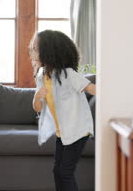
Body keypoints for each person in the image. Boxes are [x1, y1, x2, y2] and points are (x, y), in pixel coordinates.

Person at [29, 30, 95, 191]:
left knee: (65, 172)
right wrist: (37, 96)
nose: (32, 52)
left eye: (36, 48)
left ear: (50, 51)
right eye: (32, 48)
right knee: (57, 171)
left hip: (77, 130)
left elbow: (92, 89)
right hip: (62, 132)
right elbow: (37, 108)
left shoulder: (68, 74)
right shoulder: (41, 76)